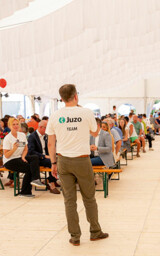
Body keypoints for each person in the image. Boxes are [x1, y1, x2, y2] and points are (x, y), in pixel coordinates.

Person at [46, 84, 108, 246]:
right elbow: (95, 133)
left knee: (69, 201)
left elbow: (51, 144)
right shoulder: (86, 113)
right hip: (82, 160)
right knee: (89, 198)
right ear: (76, 96)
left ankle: (75, 236)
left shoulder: (55, 115)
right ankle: (95, 231)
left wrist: (53, 163)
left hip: (63, 160)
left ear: (61, 98)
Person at [3, 118, 46, 197]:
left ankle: (35, 179)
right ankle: (25, 192)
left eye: (17, 124)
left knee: (35, 157)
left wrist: (23, 157)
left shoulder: (22, 135)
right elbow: (6, 155)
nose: (16, 126)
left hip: (19, 157)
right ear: (9, 126)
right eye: (13, 124)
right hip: (10, 160)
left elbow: (26, 149)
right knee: (29, 169)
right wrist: (14, 149)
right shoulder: (7, 138)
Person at [27, 120, 60, 194]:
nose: (48, 130)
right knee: (53, 162)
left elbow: (48, 148)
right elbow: (31, 152)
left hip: (45, 157)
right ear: (41, 127)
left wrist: (52, 155)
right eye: (47, 128)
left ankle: (48, 180)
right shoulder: (32, 137)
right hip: (37, 159)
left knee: (58, 160)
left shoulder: (45, 136)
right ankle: (52, 184)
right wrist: (44, 156)